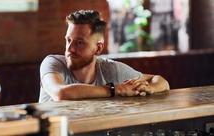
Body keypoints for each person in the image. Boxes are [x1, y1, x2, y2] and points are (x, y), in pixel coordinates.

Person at [39, 10, 170, 103]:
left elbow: (160, 81)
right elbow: (61, 93)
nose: (70, 49)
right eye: (68, 40)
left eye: (79, 43)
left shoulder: (110, 69)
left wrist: (149, 88)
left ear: (98, 48)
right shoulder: (52, 63)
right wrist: (115, 89)